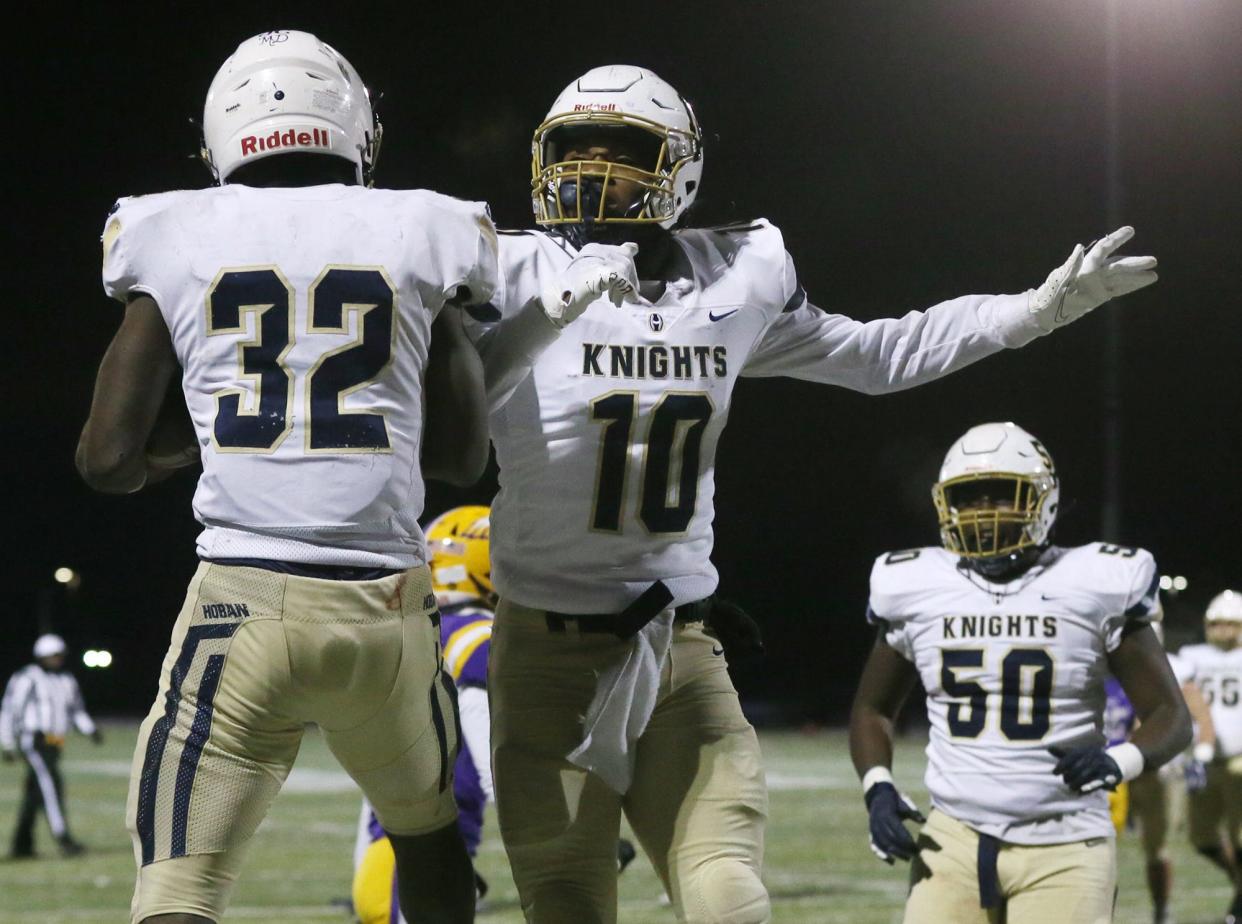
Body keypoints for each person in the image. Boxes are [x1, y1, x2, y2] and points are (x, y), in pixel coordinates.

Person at [462, 64, 1159, 923]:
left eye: (626, 148)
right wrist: (543, 317)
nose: (591, 167)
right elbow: (442, 423)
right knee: (569, 900)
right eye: (574, 146)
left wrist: (1027, 314)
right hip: (550, 651)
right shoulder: (509, 268)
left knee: (729, 895)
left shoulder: (733, 273)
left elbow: (877, 355)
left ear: (678, 167)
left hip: (676, 641)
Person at [75, 30, 496, 924]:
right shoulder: (429, 226)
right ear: (355, 128)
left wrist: (195, 447)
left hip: (240, 608)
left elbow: (104, 460)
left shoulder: (171, 229)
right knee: (426, 839)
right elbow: (463, 457)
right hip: (385, 610)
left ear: (222, 131)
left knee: (181, 886)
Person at [849, 421, 1192, 924]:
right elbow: (872, 708)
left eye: (1001, 495)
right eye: (969, 497)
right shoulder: (915, 585)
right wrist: (877, 786)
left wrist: (1121, 762)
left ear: (1043, 501)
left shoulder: (1094, 581)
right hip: (952, 838)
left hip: (1065, 840)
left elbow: (1170, 715)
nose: (983, 512)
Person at [351, 507, 638, 922]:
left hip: (388, 859)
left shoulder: (409, 632)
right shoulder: (479, 641)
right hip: (430, 864)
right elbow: (502, 763)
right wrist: (563, 839)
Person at [1104, 616, 1215, 924]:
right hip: (1099, 770)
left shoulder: (1176, 667)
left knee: (1157, 847)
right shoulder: (1094, 658)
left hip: (1149, 769)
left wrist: (1199, 754)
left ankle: (1161, 909)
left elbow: (1190, 715)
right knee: (1098, 851)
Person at [0, 634, 102, 858]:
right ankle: (64, 838)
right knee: (51, 786)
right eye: (52, 656)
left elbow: (76, 710)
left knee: (33, 794)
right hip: (34, 742)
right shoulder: (27, 677)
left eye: (59, 655)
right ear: (41, 656)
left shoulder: (66, 679)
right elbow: (9, 709)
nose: (57, 660)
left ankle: (21, 845)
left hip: (55, 744)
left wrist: (90, 729)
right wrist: (7, 742)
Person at [1178, 589, 1242, 924]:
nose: (1222, 630)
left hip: (1240, 760)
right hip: (1202, 760)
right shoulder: (1193, 656)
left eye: (1230, 623)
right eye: (1216, 623)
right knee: (1201, 838)